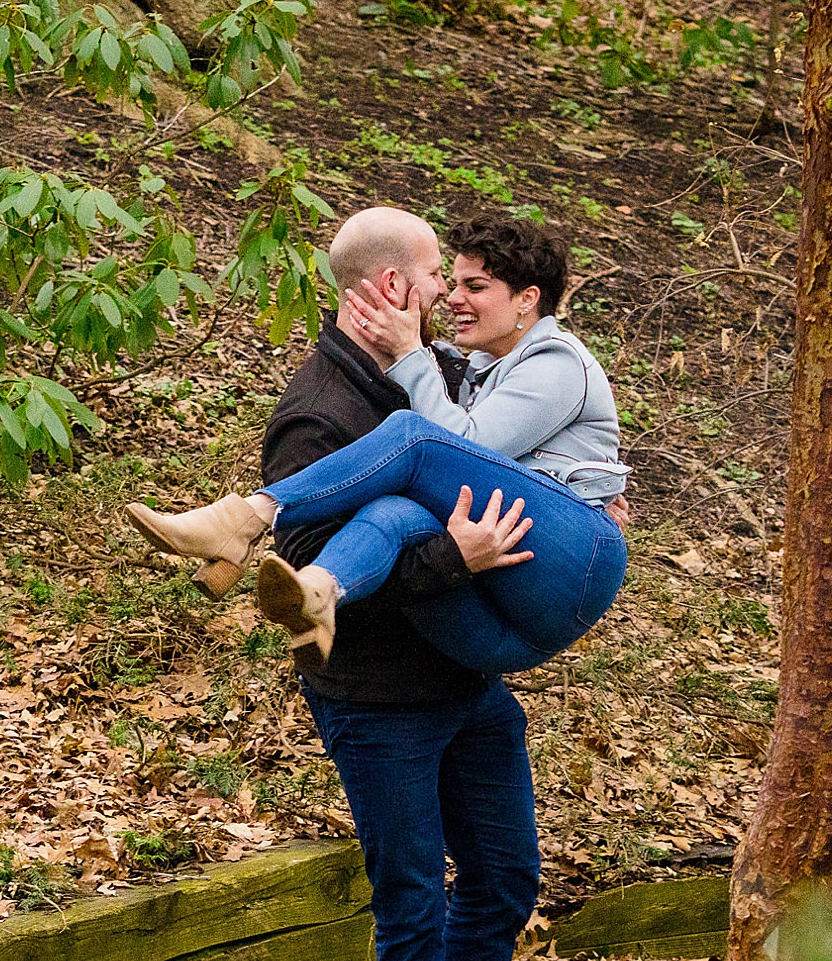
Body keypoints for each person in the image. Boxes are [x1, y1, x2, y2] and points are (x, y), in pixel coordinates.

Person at [155, 207, 605, 961]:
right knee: (409, 899)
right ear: (385, 287)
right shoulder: (314, 411)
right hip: (377, 698)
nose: (447, 289)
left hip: (465, 682)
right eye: (434, 272)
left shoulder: (435, 372)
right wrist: (452, 555)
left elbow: (492, 466)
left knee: (500, 882)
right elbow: (308, 581)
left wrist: (580, 496)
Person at [125, 210, 629, 678]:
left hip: (572, 566)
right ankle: (322, 593)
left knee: (413, 437)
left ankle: (247, 519)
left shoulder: (557, 363)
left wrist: (409, 351)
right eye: (448, 281)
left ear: (528, 298)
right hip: (494, 628)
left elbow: (465, 444)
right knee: (390, 511)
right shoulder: (468, 368)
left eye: (473, 286)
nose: (451, 297)